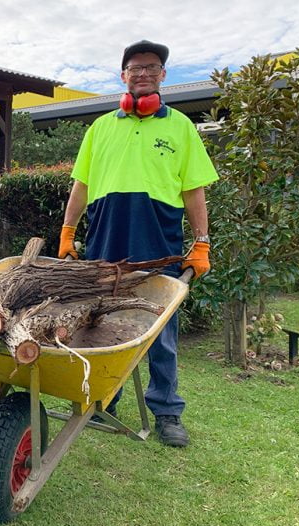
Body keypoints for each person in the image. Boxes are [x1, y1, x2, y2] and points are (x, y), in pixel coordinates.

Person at [58, 40, 218, 447]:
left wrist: (201, 243)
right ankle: (102, 400)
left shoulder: (180, 127)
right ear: (123, 74)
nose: (142, 73)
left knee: (160, 333)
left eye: (151, 67)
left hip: (158, 244)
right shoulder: (100, 128)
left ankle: (166, 411)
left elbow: (195, 191)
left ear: (163, 75)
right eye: (134, 67)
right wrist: (67, 232)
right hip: (105, 246)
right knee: (101, 325)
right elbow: (82, 185)